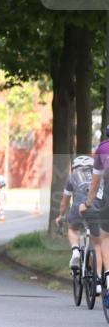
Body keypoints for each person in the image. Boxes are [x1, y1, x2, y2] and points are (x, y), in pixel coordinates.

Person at [55, 156, 99, 272]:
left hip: (78, 205)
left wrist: (61, 216)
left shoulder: (72, 176)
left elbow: (64, 202)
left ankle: (75, 251)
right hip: (97, 206)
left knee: (73, 229)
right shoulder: (98, 175)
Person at [79, 126, 109, 295]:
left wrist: (87, 203)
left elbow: (95, 183)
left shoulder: (102, 149)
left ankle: (107, 275)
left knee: (104, 237)